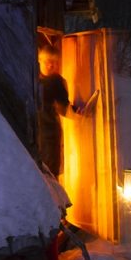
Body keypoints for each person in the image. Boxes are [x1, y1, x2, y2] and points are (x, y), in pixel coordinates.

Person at [36, 45, 81, 177]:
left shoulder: (56, 82)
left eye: (54, 62)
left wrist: (76, 112)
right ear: (39, 61)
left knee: (50, 171)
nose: (51, 65)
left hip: (49, 134)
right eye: (47, 61)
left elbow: (63, 107)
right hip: (32, 133)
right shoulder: (31, 78)